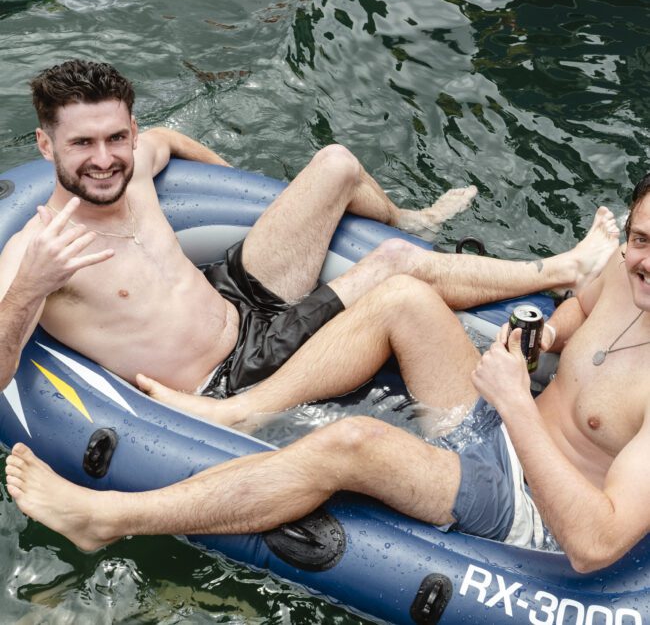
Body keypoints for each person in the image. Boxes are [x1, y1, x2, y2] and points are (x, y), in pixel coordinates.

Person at [6, 180, 650, 574]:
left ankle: (110, 517)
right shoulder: (625, 273)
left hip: (531, 507)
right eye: (640, 238)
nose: (641, 259)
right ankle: (239, 408)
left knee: (352, 446)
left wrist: (513, 401)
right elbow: (578, 311)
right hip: (502, 425)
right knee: (403, 296)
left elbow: (595, 544)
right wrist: (548, 337)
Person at [0, 59, 616, 401]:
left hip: (233, 296)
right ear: (45, 144)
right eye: (82, 143)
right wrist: (30, 286)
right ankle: (566, 267)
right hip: (232, 375)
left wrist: (250, 200)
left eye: (116, 137)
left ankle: (409, 215)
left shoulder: (134, 168)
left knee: (335, 165)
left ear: (130, 128)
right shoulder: (40, 251)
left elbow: (172, 142)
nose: (104, 158)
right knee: (394, 264)